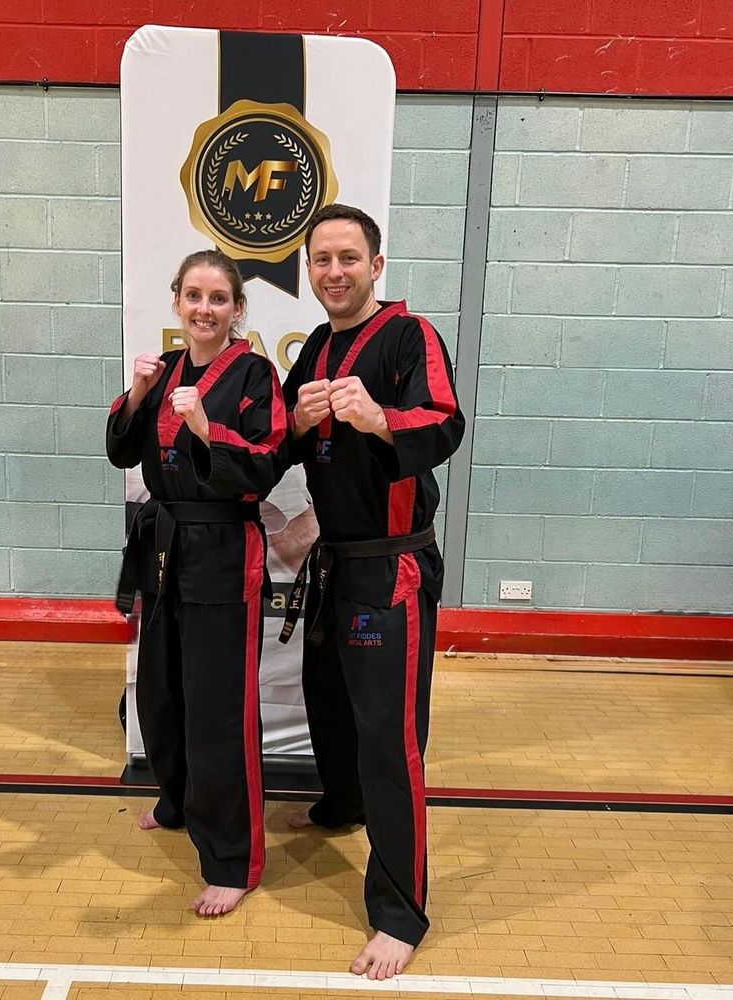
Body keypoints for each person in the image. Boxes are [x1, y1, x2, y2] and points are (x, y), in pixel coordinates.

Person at [280, 204, 465, 979]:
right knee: (328, 701)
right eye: (321, 259)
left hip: (392, 569)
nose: (334, 271)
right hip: (334, 562)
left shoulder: (407, 334)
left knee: (391, 743)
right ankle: (343, 805)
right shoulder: (317, 346)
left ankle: (400, 912)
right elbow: (281, 434)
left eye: (348, 258)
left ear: (375, 266)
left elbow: (446, 423)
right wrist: (297, 417)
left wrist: (378, 417)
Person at [106, 249, 286, 916]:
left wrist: (208, 427)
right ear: (177, 301)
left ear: (237, 309)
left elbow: (265, 465)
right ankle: (178, 800)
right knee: (161, 691)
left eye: (219, 298)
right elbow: (123, 450)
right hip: (166, 548)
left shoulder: (255, 375)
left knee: (218, 710)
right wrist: (138, 395)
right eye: (194, 296)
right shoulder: (167, 370)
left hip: (222, 548)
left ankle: (234, 861)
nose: (205, 309)